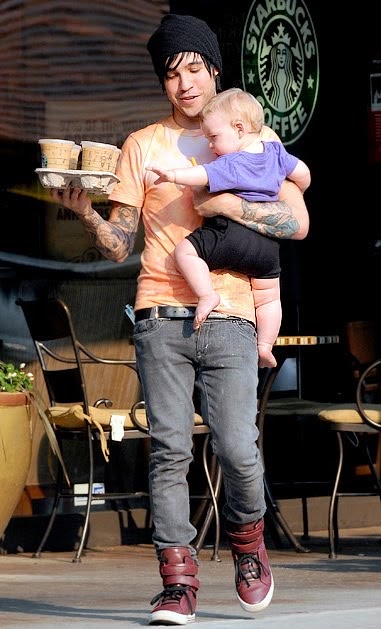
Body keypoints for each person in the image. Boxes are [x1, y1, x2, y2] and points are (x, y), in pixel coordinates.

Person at [51, 13, 309, 626]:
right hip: (160, 313)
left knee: (238, 449)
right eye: (172, 74)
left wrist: (219, 201)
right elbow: (119, 243)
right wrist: (87, 213)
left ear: (214, 71)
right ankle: (177, 579)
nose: (184, 83)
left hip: (235, 314)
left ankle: (248, 542)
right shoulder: (143, 146)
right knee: (168, 450)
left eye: (194, 69)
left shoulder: (252, 138)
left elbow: (297, 222)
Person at [146, 87, 310, 368]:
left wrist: (173, 174)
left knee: (184, 252)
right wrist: (301, 188)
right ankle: (265, 345)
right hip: (267, 247)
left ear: (238, 128)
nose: (210, 145)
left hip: (228, 237)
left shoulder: (231, 162)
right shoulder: (275, 153)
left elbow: (202, 174)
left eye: (213, 137)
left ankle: (207, 294)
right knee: (270, 298)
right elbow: (303, 173)